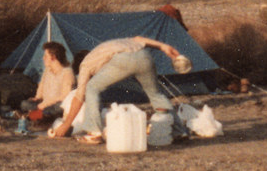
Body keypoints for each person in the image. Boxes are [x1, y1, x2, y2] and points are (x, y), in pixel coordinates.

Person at [50, 36, 192, 142]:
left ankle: (93, 132)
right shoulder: (108, 46)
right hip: (145, 55)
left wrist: (66, 125)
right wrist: (163, 47)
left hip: (124, 58)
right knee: (155, 95)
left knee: (91, 87)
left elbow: (79, 96)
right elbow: (138, 38)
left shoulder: (85, 65)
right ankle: (179, 131)